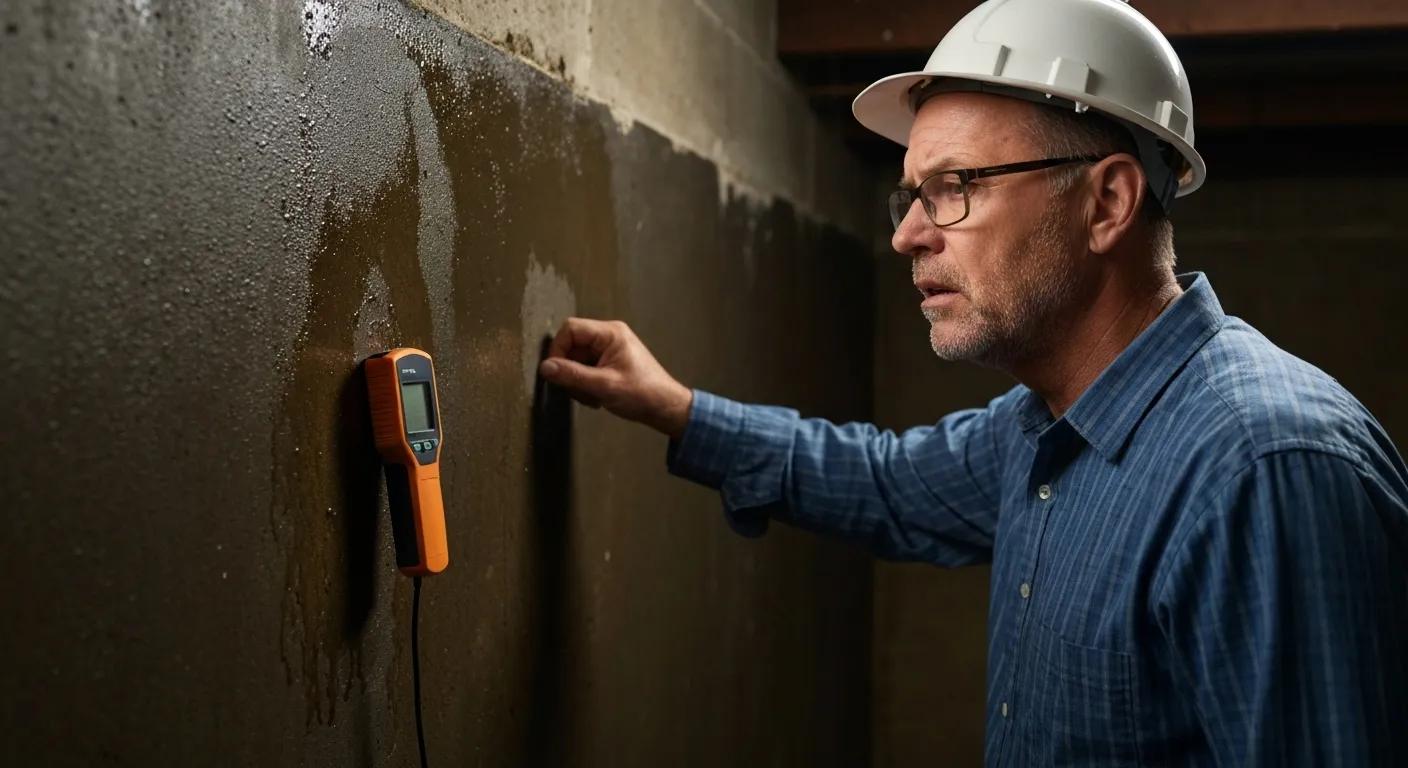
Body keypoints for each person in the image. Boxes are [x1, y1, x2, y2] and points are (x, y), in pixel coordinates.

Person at [537, 0, 1408, 763]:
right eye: (911, 194)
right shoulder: (1042, 428)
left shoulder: (1267, 472)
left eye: (954, 187)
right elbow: (886, 483)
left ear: (1107, 203)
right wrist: (674, 408)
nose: (908, 235)